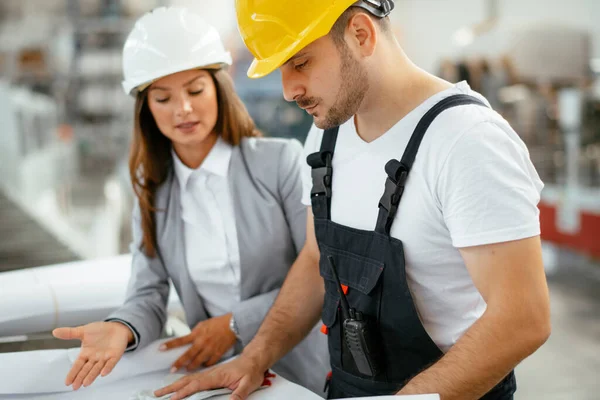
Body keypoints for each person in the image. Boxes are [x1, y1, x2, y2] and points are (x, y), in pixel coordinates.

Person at [155, 1, 551, 399]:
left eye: (301, 62)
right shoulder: (329, 133)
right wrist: (254, 357)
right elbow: (315, 261)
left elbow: (522, 319)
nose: (288, 90)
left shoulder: (466, 142)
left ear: (361, 34)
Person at [51, 6, 329, 396]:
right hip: (214, 376)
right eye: (163, 97)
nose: (182, 108)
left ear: (219, 87)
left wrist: (235, 323)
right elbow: (148, 293)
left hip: (300, 371)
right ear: (146, 107)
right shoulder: (151, 187)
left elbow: (319, 270)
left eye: (195, 90)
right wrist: (121, 329)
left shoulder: (278, 161)